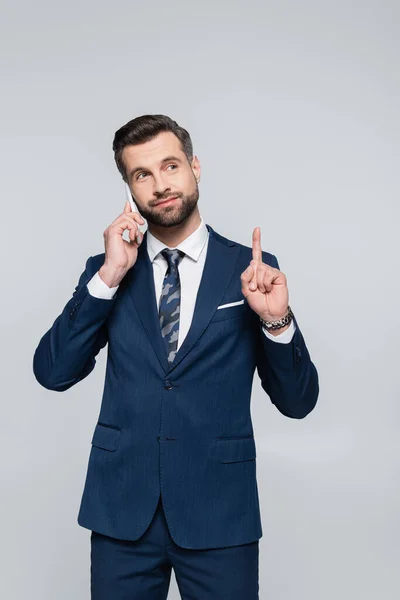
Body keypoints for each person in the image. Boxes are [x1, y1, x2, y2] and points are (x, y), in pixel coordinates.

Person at [33, 114, 319, 599]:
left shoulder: (249, 270)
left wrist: (277, 320)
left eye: (170, 166)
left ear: (195, 167)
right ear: (129, 189)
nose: (160, 184)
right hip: (122, 508)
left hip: (219, 511)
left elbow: (298, 401)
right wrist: (107, 278)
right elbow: (52, 372)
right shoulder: (107, 271)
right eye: (142, 174)